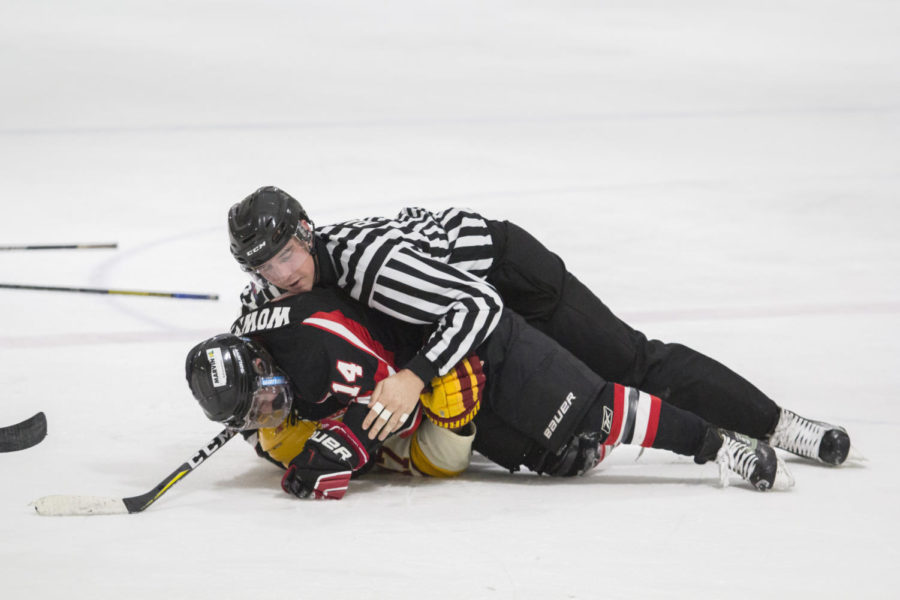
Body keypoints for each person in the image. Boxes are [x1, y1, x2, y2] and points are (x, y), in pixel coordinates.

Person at [227, 186, 851, 466]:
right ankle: (707, 440)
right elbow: (264, 325)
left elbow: (476, 307)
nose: (280, 276)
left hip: (510, 277)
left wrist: (415, 377)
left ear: (306, 232)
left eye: (285, 256)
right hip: (463, 292)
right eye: (263, 266)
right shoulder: (280, 282)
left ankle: (778, 425)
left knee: (629, 363)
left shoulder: (372, 266)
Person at [185, 288, 794, 500]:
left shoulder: (319, 346)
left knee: (591, 407)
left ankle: (716, 444)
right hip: (432, 393)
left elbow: (394, 396)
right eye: (253, 414)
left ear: (265, 360)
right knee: (557, 456)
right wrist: (311, 460)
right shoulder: (269, 415)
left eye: (265, 396)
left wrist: (347, 439)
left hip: (453, 352)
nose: (270, 410)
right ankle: (563, 449)